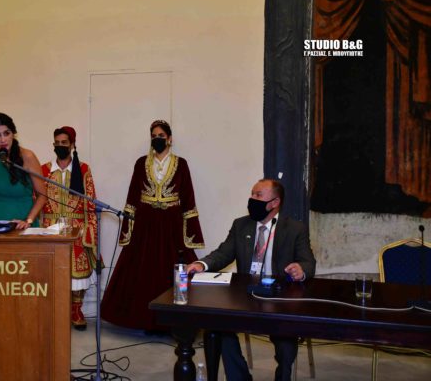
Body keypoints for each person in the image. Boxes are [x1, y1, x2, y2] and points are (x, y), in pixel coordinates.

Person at [187, 179, 316, 381]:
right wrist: (201, 264)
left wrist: (301, 270)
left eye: (258, 195)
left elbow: (308, 263)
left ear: (275, 202)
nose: (252, 199)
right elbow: (223, 253)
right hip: (244, 296)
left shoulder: (294, 229)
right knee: (220, 327)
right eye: (252, 194)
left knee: (286, 340)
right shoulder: (241, 225)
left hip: (279, 297)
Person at [101, 119, 205, 331]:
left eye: (161, 136)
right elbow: (133, 195)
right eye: (154, 136)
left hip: (171, 223)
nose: (157, 139)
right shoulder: (141, 163)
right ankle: (143, 319)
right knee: (142, 270)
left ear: (170, 139)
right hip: (145, 223)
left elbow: (188, 197)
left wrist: (191, 230)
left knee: (173, 267)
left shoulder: (181, 163)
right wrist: (128, 227)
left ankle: (175, 321)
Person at [41, 126, 99, 330]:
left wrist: (90, 231)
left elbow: (90, 202)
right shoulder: (44, 170)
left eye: (64, 143)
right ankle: (56, 310)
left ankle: (76, 310)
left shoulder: (83, 169)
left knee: (77, 272)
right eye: (57, 143)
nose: (60, 146)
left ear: (72, 144)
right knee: (53, 271)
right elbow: (37, 200)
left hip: (77, 228)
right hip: (51, 228)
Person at [0, 112, 46, 229]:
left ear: (13, 134)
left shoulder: (27, 156)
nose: (3, 140)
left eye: (6, 133)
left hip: (21, 227)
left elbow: (42, 196)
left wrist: (28, 220)